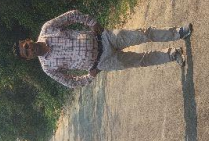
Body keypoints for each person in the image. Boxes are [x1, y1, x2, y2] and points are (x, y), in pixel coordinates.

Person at [17, 10, 192, 88]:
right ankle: (173, 54)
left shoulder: (48, 29)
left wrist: (92, 23)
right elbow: (70, 82)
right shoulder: (48, 67)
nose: (30, 50)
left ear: (28, 40)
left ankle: (178, 33)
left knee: (143, 34)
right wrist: (89, 77)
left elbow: (72, 16)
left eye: (27, 46)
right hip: (103, 62)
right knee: (141, 60)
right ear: (28, 58)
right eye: (27, 53)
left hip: (104, 38)